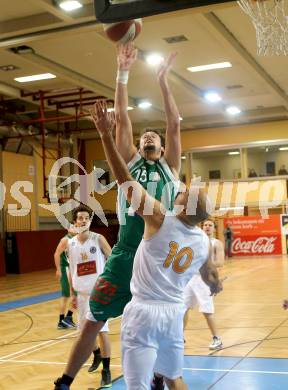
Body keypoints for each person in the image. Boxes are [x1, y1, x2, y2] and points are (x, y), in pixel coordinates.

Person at [54, 43, 181, 390]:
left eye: (154, 135)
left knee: (157, 324)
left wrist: (163, 80)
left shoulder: (172, 167)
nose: (149, 135)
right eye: (144, 136)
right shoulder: (131, 161)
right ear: (137, 147)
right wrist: (122, 73)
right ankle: (65, 380)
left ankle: (157, 375)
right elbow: (122, 117)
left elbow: (173, 121)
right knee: (93, 320)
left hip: (157, 256)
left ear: (164, 146)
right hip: (127, 251)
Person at [88, 101, 222, 389]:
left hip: (145, 311)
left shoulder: (159, 220)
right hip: (173, 313)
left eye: (184, 195)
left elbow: (124, 179)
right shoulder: (201, 240)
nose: (180, 192)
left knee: (138, 384)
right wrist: (213, 280)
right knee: (174, 378)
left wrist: (105, 136)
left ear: (185, 208)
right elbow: (211, 275)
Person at [56, 204, 113, 388]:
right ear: (75, 222)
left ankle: (106, 371)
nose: (83, 220)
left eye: (86, 218)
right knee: (83, 334)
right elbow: (72, 271)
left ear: (90, 221)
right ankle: (95, 354)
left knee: (102, 333)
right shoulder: (70, 244)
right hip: (81, 295)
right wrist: (72, 293)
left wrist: (112, 285)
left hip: (99, 294)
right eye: (79, 218)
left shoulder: (99, 239)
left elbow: (113, 260)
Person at [183, 219, 225, 350]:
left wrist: (205, 264)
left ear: (214, 228)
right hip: (191, 278)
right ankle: (179, 337)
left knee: (207, 310)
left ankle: (217, 338)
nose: (207, 227)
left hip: (205, 279)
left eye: (210, 225)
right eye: (205, 225)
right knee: (182, 308)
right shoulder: (197, 241)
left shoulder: (216, 243)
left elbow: (220, 262)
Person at [54, 229, 77, 329]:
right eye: (73, 226)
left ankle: (67, 318)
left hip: (72, 269)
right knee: (66, 295)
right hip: (65, 269)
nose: (75, 228)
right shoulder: (65, 239)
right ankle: (62, 320)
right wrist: (58, 269)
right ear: (68, 228)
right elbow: (56, 254)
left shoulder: (75, 239)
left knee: (76, 295)